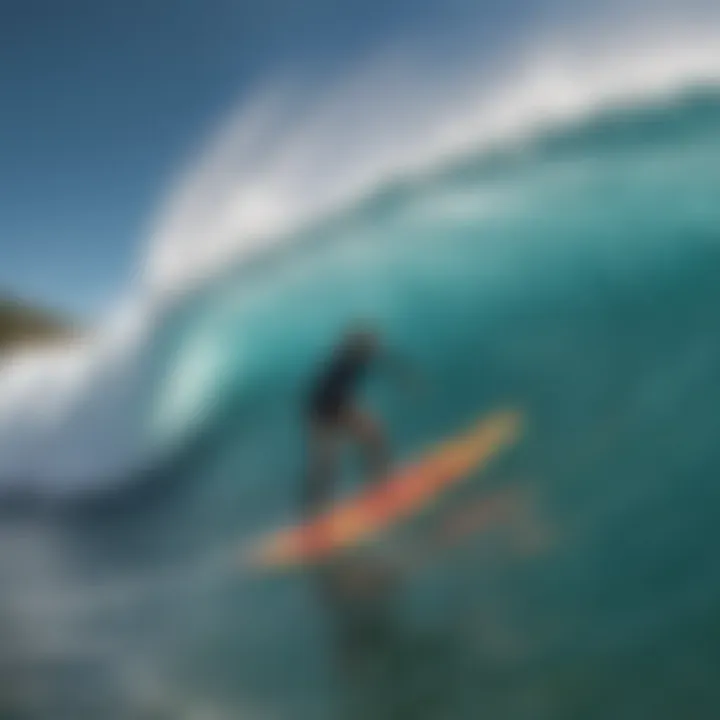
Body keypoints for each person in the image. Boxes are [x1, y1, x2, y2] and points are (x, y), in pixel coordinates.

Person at [303, 324, 412, 516]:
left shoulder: (361, 357)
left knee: (375, 436)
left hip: (338, 405)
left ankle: (381, 484)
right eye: (370, 344)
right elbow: (323, 393)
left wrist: (407, 379)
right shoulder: (345, 361)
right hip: (322, 410)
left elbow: (389, 362)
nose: (375, 347)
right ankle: (314, 510)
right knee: (327, 463)